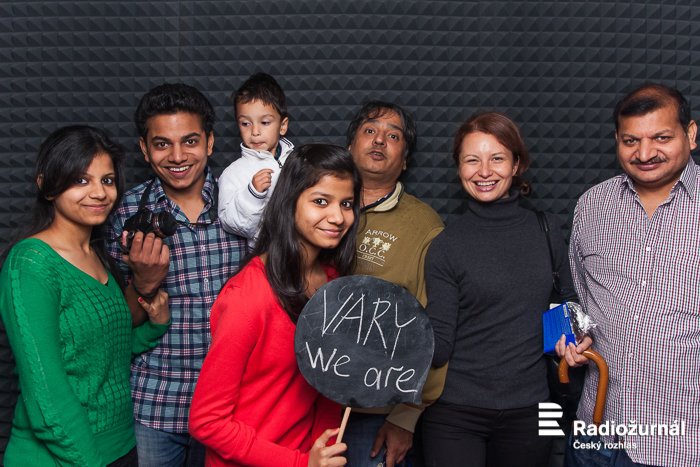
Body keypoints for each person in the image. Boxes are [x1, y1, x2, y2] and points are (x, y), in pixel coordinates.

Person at [0, 126, 170, 466]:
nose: (99, 193)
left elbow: (99, 355)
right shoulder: (32, 263)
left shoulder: (98, 256)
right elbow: (47, 394)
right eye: (81, 180)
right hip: (63, 457)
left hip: (120, 446)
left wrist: (154, 326)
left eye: (107, 180)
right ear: (46, 185)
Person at [421, 112, 577, 467]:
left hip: (536, 408)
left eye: (497, 158)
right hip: (454, 413)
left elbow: (566, 300)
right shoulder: (446, 245)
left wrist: (572, 340)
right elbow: (440, 341)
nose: (484, 171)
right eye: (471, 160)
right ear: (458, 167)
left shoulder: (546, 231)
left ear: (516, 165)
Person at [189, 144, 359, 466]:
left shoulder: (335, 286)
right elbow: (207, 421)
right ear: (289, 202)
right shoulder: (248, 297)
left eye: (347, 203)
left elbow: (328, 387)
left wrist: (321, 452)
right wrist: (299, 464)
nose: (338, 217)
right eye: (321, 201)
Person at [105, 83, 247, 466]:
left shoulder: (244, 206)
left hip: (231, 405)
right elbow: (116, 326)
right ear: (144, 149)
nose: (178, 156)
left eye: (190, 141)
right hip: (156, 404)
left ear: (210, 142)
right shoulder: (125, 214)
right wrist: (144, 283)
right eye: (162, 144)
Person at [559, 83, 700, 467]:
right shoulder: (592, 206)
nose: (645, 153)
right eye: (631, 140)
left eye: (661, 138)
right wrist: (578, 337)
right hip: (596, 436)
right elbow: (582, 299)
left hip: (683, 446)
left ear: (690, 134)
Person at [344, 101, 446, 467]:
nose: (379, 140)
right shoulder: (316, 206)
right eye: (370, 131)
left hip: (374, 415)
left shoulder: (424, 226)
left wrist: (406, 416)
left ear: (405, 160)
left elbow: (435, 326)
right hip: (303, 407)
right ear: (350, 145)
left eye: (393, 136)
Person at [218, 72, 294, 246]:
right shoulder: (233, 173)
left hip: (303, 253)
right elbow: (231, 224)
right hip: (265, 255)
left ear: (282, 126)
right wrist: (252, 195)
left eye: (265, 122)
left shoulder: (298, 162)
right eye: (246, 123)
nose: (255, 132)